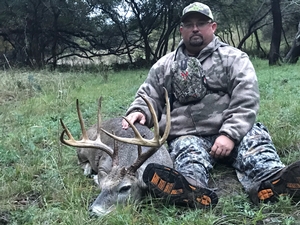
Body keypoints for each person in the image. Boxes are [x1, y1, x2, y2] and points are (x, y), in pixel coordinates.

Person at [122, 2, 300, 208]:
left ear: (213, 27)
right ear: (181, 30)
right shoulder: (164, 65)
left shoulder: (234, 58)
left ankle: (277, 183)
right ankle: (189, 191)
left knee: (257, 147)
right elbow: (149, 94)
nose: (195, 28)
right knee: (188, 159)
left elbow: (246, 98)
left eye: (201, 23)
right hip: (188, 135)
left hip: (234, 131)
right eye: (188, 24)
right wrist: (139, 111)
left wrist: (229, 135)